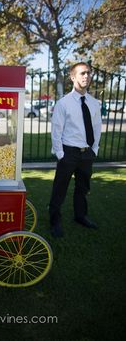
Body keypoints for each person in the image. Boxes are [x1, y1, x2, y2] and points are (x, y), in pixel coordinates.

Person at [49, 62, 102, 238]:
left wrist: (94, 149)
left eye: (88, 73)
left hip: (87, 153)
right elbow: (56, 130)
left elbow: (96, 127)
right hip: (68, 152)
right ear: (73, 77)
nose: (86, 76)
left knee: (83, 187)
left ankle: (80, 216)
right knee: (60, 188)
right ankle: (55, 220)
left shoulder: (94, 103)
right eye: (82, 73)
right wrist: (60, 154)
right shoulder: (63, 103)